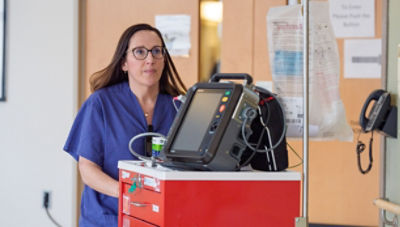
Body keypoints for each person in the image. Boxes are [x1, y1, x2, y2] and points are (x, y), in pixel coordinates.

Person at [63, 23, 186, 226]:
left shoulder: (178, 107)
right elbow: (87, 169)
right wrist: (128, 194)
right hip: (108, 218)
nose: (150, 59)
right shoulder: (101, 104)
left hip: (162, 218)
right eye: (140, 52)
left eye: (157, 51)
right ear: (124, 63)